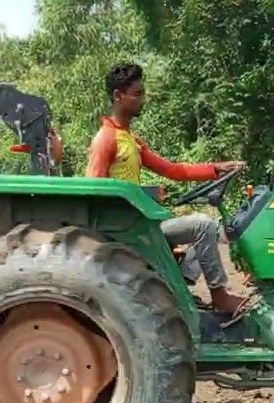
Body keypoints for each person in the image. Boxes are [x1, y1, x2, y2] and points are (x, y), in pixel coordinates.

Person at [86, 62, 248, 314]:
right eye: (137, 94)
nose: (143, 99)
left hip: (139, 223)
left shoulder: (130, 139)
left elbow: (172, 170)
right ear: (118, 96)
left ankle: (178, 292)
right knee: (203, 225)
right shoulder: (106, 139)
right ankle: (220, 297)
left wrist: (217, 168)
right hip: (128, 230)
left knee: (199, 234)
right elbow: (94, 191)